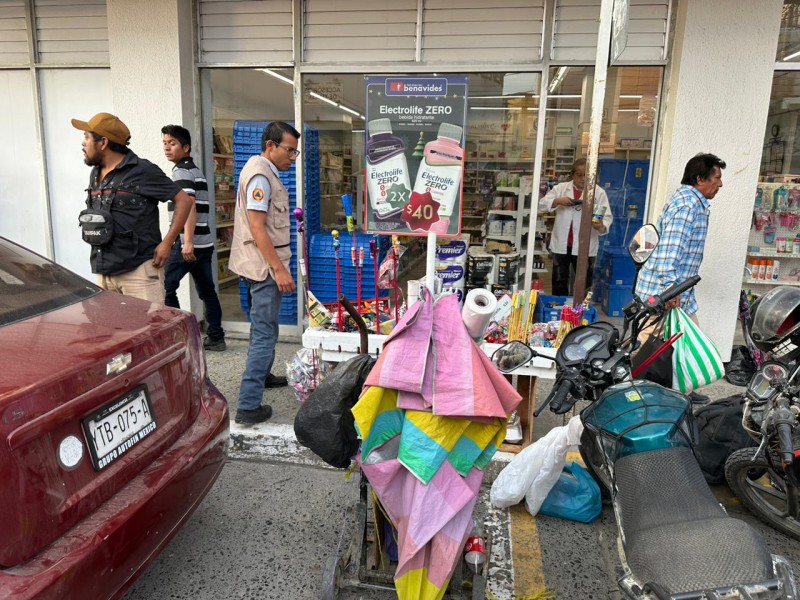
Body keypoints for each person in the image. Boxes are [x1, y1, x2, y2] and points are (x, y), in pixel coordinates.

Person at [73, 112, 194, 303]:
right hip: (104, 273)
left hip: (140, 273)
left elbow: (184, 201)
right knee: (115, 333)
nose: (83, 143)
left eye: (87, 137)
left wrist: (167, 243)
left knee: (149, 332)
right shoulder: (95, 173)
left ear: (103, 142)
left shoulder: (142, 171)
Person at [228, 121, 299, 424]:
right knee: (264, 332)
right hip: (264, 268)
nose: (292, 158)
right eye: (289, 150)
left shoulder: (265, 172)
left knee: (264, 327)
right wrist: (278, 269)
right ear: (271, 145)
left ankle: (264, 375)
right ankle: (248, 404)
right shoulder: (260, 176)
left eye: (295, 152)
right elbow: (257, 227)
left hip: (260, 264)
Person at [634, 153, 726, 321]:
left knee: (691, 346)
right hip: (662, 299)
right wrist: (670, 289)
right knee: (649, 346)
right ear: (700, 179)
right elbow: (669, 252)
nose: (720, 184)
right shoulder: (687, 206)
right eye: (717, 178)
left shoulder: (691, 202)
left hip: (680, 299)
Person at [161, 124, 226, 352]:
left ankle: (180, 339)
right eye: (165, 143)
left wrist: (186, 240)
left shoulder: (181, 172)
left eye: (173, 143)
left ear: (185, 147)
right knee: (208, 292)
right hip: (204, 244)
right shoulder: (196, 171)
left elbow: (188, 207)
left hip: (187, 245)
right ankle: (216, 337)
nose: (167, 148)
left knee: (164, 287)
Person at [539, 158, 613, 296]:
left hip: (585, 245)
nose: (583, 178)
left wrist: (600, 226)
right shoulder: (561, 188)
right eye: (579, 175)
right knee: (559, 280)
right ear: (572, 175)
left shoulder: (599, 192)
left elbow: (607, 218)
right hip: (562, 243)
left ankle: (580, 312)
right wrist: (557, 201)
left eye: (587, 175)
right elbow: (541, 204)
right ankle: (560, 309)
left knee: (583, 282)